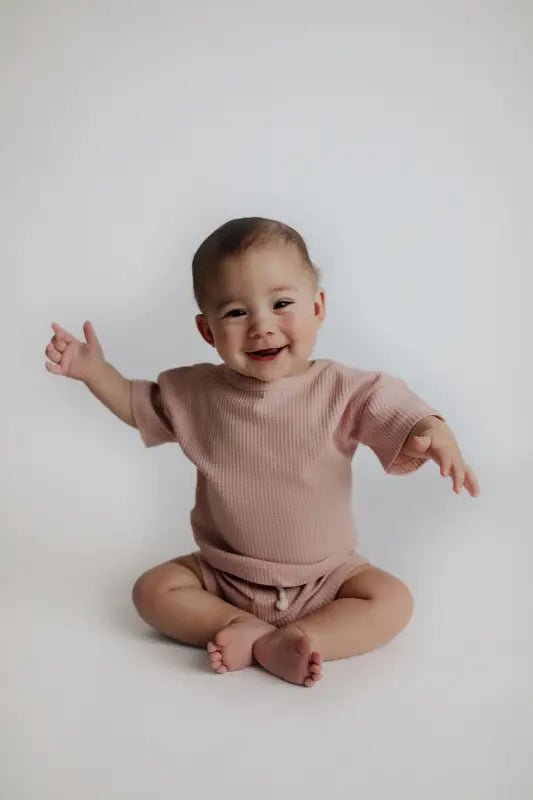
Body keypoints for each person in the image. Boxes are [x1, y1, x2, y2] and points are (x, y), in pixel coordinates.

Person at [44, 217, 480, 688]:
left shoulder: (343, 390)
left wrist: (430, 430)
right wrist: (95, 372)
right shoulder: (198, 394)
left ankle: (304, 637)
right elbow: (138, 403)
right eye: (236, 312)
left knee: (393, 600)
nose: (261, 326)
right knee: (152, 590)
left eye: (282, 304)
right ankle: (239, 625)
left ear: (318, 307)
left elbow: (392, 406)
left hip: (327, 576)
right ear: (207, 331)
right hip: (223, 575)